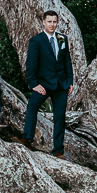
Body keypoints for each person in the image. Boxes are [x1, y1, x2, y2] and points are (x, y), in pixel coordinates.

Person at [18, 10, 74, 158]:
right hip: (43, 84)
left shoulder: (63, 39)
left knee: (60, 116)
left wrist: (70, 81)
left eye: (55, 22)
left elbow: (67, 61)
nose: (52, 24)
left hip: (62, 84)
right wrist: (34, 84)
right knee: (32, 106)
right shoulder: (36, 40)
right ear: (43, 22)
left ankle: (58, 150)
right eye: (49, 21)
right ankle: (27, 139)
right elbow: (31, 64)